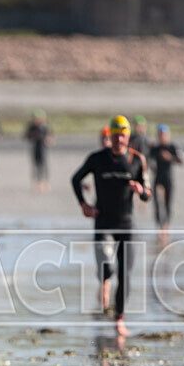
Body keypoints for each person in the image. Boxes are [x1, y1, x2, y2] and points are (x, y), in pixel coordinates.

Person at [71, 115, 151, 338]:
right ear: (110, 137)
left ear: (128, 136)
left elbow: (148, 193)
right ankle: (104, 280)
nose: (119, 140)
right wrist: (84, 205)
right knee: (108, 267)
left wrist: (141, 191)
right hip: (103, 222)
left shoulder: (137, 160)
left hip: (126, 224)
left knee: (126, 275)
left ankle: (119, 319)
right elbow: (75, 179)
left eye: (123, 136)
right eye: (115, 136)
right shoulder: (97, 159)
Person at [149, 124, 184, 246]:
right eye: (160, 134)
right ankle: (160, 226)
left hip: (168, 178)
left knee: (168, 203)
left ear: (167, 135)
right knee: (158, 203)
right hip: (158, 178)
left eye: (164, 134)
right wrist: (151, 166)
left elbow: (181, 160)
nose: (162, 137)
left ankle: (166, 226)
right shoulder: (156, 148)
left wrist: (170, 158)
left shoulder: (172, 147)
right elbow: (147, 159)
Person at [25, 108, 54, 192]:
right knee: (36, 166)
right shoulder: (32, 127)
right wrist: (33, 135)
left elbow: (51, 138)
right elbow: (26, 136)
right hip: (35, 149)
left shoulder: (46, 127)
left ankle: (45, 182)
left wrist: (48, 140)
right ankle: (37, 183)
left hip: (44, 149)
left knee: (44, 166)